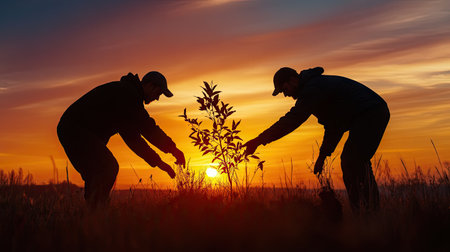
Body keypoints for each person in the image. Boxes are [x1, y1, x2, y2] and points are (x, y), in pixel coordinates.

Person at [244, 67, 390, 212]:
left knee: (352, 160)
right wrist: (322, 156)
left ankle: (367, 212)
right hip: (370, 113)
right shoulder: (314, 88)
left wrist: (259, 140)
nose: (285, 95)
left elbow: (292, 120)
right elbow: (334, 125)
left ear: (293, 80)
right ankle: (367, 212)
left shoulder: (312, 89)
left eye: (284, 89)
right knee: (354, 161)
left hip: (371, 112)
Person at [57, 71, 185, 207]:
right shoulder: (128, 94)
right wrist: (173, 149)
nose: (157, 98)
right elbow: (147, 128)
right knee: (108, 167)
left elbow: (133, 139)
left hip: (71, 129)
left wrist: (158, 162)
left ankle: (93, 218)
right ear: (151, 86)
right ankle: (97, 213)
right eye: (158, 94)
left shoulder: (126, 97)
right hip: (75, 129)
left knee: (96, 173)